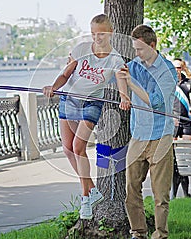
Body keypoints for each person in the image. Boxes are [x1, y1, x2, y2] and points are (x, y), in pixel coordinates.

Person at [43, 14, 130, 220]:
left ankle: (85, 198)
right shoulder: (81, 50)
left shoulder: (115, 59)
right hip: (69, 99)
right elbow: (65, 75)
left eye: (100, 34)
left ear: (110, 32)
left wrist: (124, 98)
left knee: (78, 147)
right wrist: (53, 87)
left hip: (91, 103)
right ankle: (92, 190)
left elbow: (121, 83)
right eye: (93, 33)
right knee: (67, 148)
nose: (96, 38)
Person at [116, 24, 177, 239]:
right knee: (131, 189)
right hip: (138, 136)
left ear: (152, 46)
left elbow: (155, 102)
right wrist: (124, 94)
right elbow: (119, 72)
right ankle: (138, 234)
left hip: (161, 136)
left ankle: (160, 237)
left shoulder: (168, 71)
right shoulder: (135, 65)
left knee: (160, 194)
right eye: (135, 49)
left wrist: (131, 83)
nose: (137, 54)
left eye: (140, 49)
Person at [171, 58, 191, 199]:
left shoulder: (188, 83)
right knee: (174, 161)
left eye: (179, 67)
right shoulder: (167, 82)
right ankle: (174, 193)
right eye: (175, 67)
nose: (177, 70)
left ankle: (186, 193)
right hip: (173, 121)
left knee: (183, 158)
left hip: (186, 122)